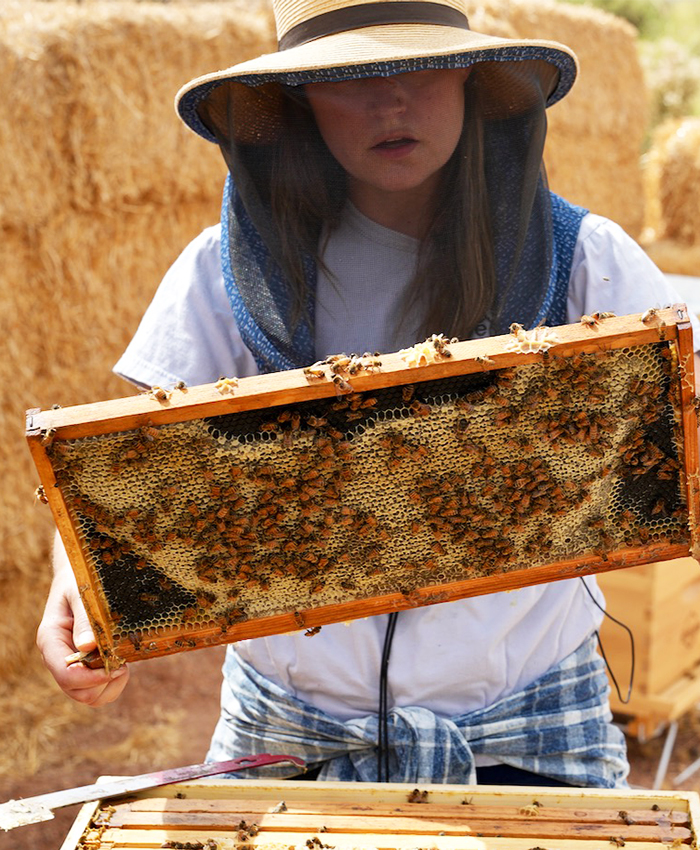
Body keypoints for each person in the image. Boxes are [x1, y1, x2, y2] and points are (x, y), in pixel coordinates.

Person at [37, 0, 700, 788]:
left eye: (417, 66)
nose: (390, 100)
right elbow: (119, 480)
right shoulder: (221, 276)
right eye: (349, 77)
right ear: (300, 99)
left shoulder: (588, 262)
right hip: (291, 729)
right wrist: (77, 586)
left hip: (527, 733)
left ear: (468, 74)